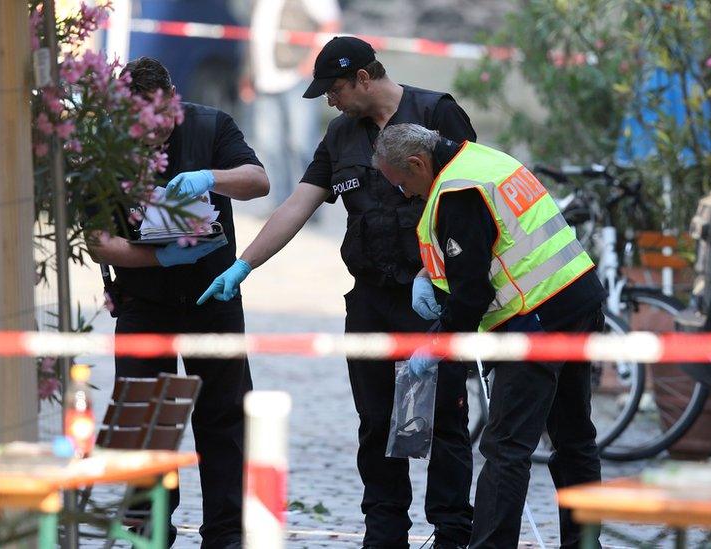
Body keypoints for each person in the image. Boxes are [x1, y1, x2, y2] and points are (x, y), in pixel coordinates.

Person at [198, 37, 476, 549]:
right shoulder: (341, 135)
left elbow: (467, 201)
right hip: (371, 297)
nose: (329, 99)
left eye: (334, 88)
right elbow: (296, 206)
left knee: (441, 417)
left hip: (431, 294)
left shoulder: (438, 113)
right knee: (375, 422)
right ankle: (385, 530)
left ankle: (452, 531)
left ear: (364, 78)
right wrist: (243, 265)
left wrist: (440, 277)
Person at [371, 123, 607, 549]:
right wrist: (430, 273)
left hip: (536, 320)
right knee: (575, 440)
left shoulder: (457, 193)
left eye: (403, 183)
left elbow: (473, 293)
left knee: (505, 448)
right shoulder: (483, 161)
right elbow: (501, 240)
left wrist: (439, 342)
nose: (405, 194)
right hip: (578, 300)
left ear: (417, 163)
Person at [87, 56, 269, 548]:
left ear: (172, 100)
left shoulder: (210, 125)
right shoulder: (106, 146)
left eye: (159, 119)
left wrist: (211, 178)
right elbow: (98, 241)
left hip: (213, 293)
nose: (150, 133)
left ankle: (226, 533)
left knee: (224, 414)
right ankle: (149, 528)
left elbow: (258, 181)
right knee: (144, 416)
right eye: (138, 121)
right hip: (144, 297)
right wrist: (162, 261)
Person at [247, 0, 340, 208]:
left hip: (296, 79)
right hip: (264, 81)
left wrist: (310, 65)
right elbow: (254, 37)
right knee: (270, 146)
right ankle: (279, 204)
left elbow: (331, 24)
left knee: (302, 146)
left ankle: (313, 206)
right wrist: (248, 75)